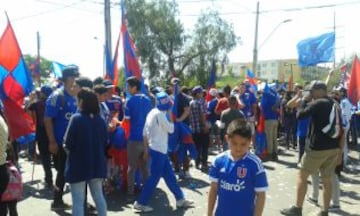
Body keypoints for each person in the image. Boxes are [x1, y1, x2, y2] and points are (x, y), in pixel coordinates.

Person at [281, 80, 344, 216]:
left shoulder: (318, 103)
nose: (310, 93)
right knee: (327, 180)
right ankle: (324, 211)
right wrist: (340, 150)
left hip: (317, 148)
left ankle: (297, 208)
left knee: (302, 176)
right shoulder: (335, 103)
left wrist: (303, 99)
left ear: (319, 90)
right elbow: (342, 128)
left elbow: (300, 115)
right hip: (333, 147)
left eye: (312, 90)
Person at [133, 92, 194, 212]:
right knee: (154, 178)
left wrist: (146, 150)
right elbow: (171, 130)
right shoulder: (161, 114)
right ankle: (140, 202)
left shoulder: (152, 112)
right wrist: (171, 116)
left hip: (156, 148)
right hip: (159, 150)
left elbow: (144, 133)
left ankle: (180, 198)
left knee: (170, 175)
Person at [208, 119, 268, 216]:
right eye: (234, 143)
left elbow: (261, 194)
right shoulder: (218, 161)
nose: (238, 148)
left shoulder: (255, 164)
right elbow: (213, 189)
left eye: (243, 144)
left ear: (250, 141)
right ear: (227, 139)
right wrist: (209, 213)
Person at [63, 88, 107, 216]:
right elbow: (105, 142)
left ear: (82, 101)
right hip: (97, 163)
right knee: (99, 196)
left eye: (78, 100)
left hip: (78, 165)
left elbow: (67, 143)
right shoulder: (100, 120)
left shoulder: (76, 119)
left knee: (78, 201)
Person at [44, 65, 79, 210]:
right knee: (62, 174)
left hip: (74, 144)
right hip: (60, 143)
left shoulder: (77, 96)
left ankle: (79, 202)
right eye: (74, 77)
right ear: (68, 78)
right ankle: (57, 201)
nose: (76, 80)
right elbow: (47, 119)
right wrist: (52, 141)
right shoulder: (57, 96)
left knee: (74, 173)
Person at [124, 76, 152, 195]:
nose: (126, 89)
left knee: (132, 167)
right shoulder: (148, 100)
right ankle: (147, 192)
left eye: (128, 87)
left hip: (134, 138)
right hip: (146, 138)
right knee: (145, 168)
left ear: (134, 87)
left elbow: (127, 121)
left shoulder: (129, 101)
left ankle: (130, 193)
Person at [28, 85, 54, 188]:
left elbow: (28, 110)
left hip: (41, 134)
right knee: (57, 158)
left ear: (42, 93)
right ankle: (62, 177)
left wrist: (32, 99)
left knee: (45, 158)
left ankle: (49, 180)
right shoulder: (53, 103)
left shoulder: (36, 104)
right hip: (54, 133)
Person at [190, 86, 210, 170]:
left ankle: (197, 163)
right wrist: (205, 126)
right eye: (201, 93)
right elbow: (202, 115)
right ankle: (204, 164)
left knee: (197, 147)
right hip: (201, 129)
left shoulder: (191, 102)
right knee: (204, 147)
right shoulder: (199, 103)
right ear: (198, 94)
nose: (202, 94)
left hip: (194, 129)